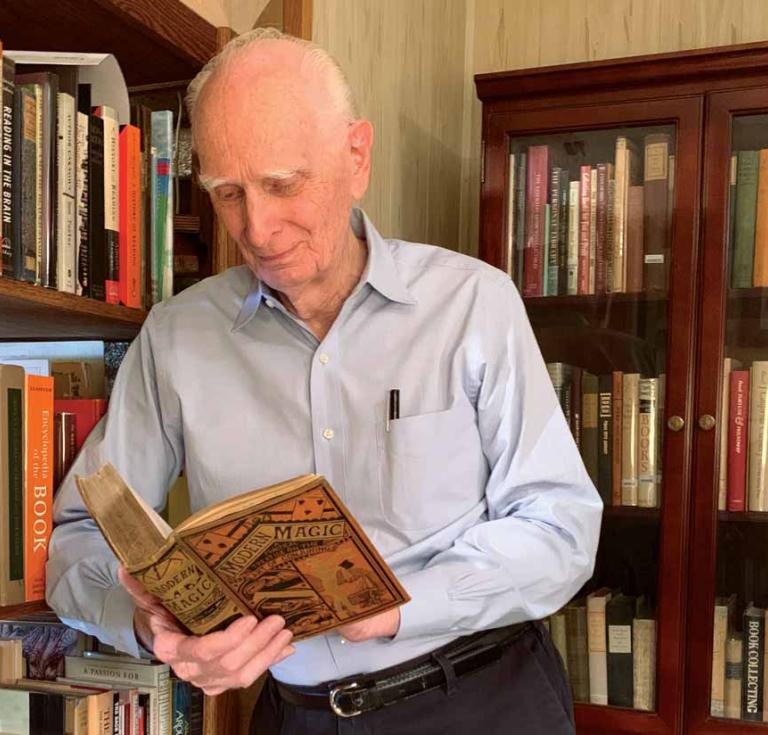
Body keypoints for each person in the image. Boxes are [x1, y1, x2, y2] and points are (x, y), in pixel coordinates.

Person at [47, 27, 602, 735]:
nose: (258, 228)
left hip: (482, 699)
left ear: (356, 157)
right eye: (228, 193)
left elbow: (560, 528)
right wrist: (150, 627)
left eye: (283, 184)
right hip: (295, 717)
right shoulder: (177, 336)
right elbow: (80, 536)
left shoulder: (472, 303)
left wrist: (403, 605)